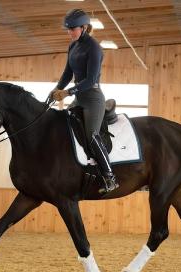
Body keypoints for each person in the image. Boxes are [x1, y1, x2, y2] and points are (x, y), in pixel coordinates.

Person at [51, 8, 119, 193]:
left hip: (92, 98)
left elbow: (90, 80)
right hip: (79, 97)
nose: (69, 32)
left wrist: (68, 92)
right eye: (68, 29)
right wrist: (57, 88)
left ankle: (109, 177)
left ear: (84, 27)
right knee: (64, 126)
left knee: (92, 136)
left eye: (72, 29)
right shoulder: (73, 46)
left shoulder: (94, 48)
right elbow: (68, 72)